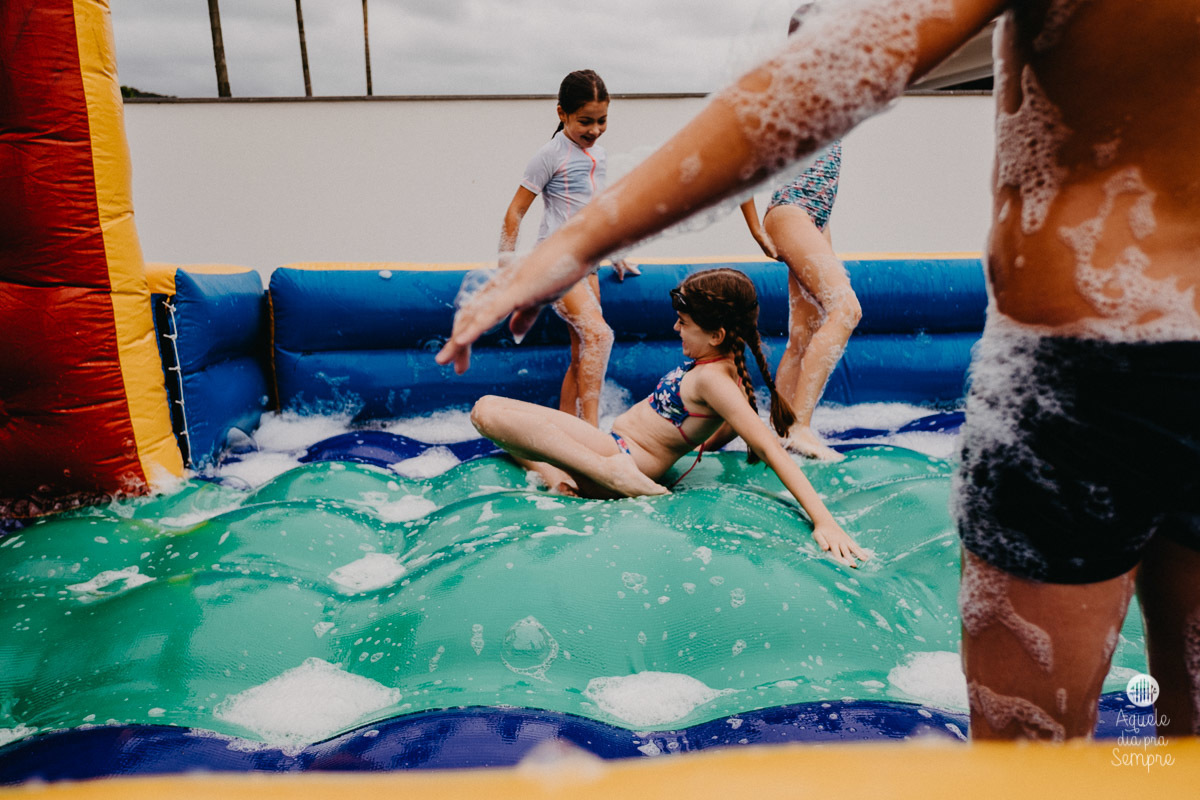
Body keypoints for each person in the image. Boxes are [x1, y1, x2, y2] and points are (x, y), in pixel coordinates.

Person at [439, 0, 1200, 740]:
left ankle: (707, 445)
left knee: (1036, 764)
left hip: (1084, 372)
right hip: (1126, 358)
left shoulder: (713, 379)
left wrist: (566, 246)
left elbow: (809, 87)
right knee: (1184, 733)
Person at [471, 268, 868, 568]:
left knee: (485, 412)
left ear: (717, 334)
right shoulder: (721, 372)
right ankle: (563, 476)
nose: (676, 328)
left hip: (619, 459)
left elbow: (769, 448)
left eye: (685, 323)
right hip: (614, 449)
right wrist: (700, 438)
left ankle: (605, 475)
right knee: (514, 434)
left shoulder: (715, 381)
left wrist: (824, 522)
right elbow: (721, 429)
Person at [737, 3, 859, 461]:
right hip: (791, 212)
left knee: (804, 333)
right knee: (845, 309)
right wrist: (755, 230)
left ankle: (771, 438)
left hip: (815, 219)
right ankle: (802, 428)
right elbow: (741, 167)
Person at [496, 69, 637, 426]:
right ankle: (591, 431)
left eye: (602, 120)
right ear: (562, 114)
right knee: (600, 336)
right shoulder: (549, 154)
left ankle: (565, 428)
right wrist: (506, 268)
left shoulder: (599, 156)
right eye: (585, 121)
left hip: (587, 263)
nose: (594, 129)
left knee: (582, 353)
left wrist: (616, 253)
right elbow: (514, 213)